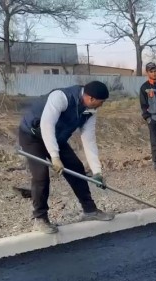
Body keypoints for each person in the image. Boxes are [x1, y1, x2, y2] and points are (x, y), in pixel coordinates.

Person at [19, 81, 115, 234]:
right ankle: (40, 218)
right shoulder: (61, 97)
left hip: (57, 138)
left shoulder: (90, 112)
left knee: (75, 167)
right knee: (41, 175)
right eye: (101, 102)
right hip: (32, 136)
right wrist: (54, 156)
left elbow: (89, 140)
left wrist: (97, 172)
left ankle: (89, 210)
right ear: (90, 98)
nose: (101, 105)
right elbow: (47, 125)